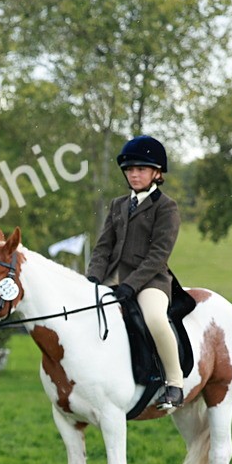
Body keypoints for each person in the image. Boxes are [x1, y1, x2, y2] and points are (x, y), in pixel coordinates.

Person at [87, 135, 184, 410]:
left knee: (154, 318)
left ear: (156, 173)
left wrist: (131, 285)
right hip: (113, 279)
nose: (134, 174)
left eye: (140, 169)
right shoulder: (118, 205)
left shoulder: (166, 207)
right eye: (130, 169)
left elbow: (158, 255)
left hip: (150, 281)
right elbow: (103, 247)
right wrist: (93, 277)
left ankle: (175, 383)